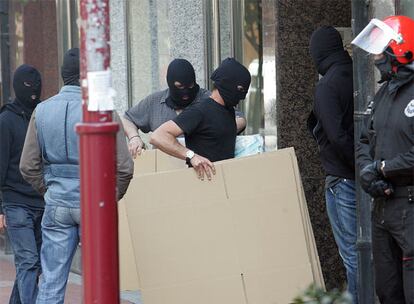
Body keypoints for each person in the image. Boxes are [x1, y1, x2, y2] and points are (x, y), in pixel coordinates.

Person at [19, 48, 134, 304]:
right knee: (100, 281)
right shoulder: (102, 110)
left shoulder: (42, 110)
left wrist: (47, 189)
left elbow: (28, 165)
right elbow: (125, 167)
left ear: (63, 75)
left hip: (57, 200)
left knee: (51, 281)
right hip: (94, 203)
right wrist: (109, 197)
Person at [353, 15, 414, 304]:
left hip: (410, 205)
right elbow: (366, 138)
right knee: (387, 291)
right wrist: (368, 173)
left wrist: (383, 168)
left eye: (382, 49)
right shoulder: (383, 94)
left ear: (401, 49)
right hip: (382, 206)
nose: (376, 57)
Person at [308, 26, 358, 303]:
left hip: (342, 178)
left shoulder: (327, 85)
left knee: (351, 254)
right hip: (357, 174)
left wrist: (356, 168)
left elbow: (336, 135)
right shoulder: (356, 74)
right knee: (360, 251)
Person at [121, 58, 247, 158]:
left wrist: (211, 133)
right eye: (179, 87)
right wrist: (134, 138)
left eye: (190, 86)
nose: (185, 93)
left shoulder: (208, 101)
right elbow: (129, 120)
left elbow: (239, 119)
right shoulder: (154, 101)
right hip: (165, 167)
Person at [150, 57, 251, 180]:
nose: (242, 96)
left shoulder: (228, 111)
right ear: (227, 84)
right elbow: (158, 136)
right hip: (202, 184)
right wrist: (191, 156)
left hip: (223, 183)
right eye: (240, 89)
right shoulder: (200, 111)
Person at [0, 64, 44, 304]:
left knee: (33, 265)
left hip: (43, 201)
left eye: (37, 85)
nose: (34, 91)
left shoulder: (44, 114)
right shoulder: (5, 120)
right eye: (28, 86)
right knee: (28, 261)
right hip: (15, 204)